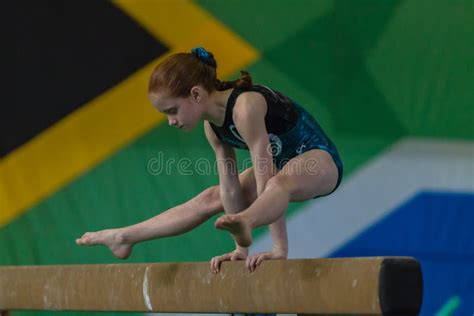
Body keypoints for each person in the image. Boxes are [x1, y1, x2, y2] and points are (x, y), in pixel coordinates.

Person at [76, 47, 343, 273]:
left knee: (276, 185)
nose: (171, 121)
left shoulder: (245, 108)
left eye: (172, 111)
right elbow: (229, 188)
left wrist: (278, 249)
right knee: (211, 197)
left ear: (195, 94)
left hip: (318, 159)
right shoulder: (213, 128)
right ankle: (126, 236)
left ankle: (249, 223)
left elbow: (266, 177)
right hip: (282, 165)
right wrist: (241, 249)